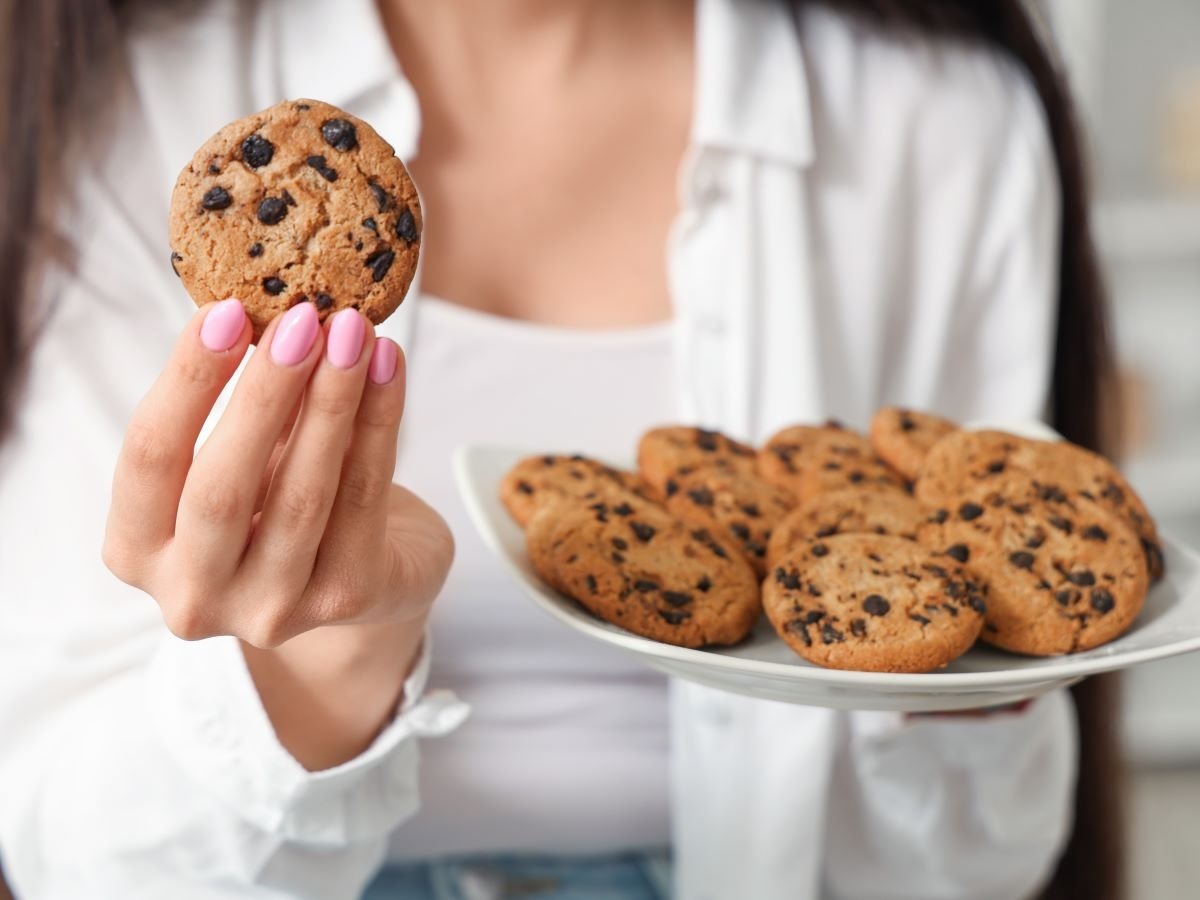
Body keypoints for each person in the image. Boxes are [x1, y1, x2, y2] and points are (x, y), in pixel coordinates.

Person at [0, 0, 1124, 898]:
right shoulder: (111, 104)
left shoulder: (944, 127)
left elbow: (974, 870)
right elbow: (79, 861)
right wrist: (329, 656)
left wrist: (974, 670)